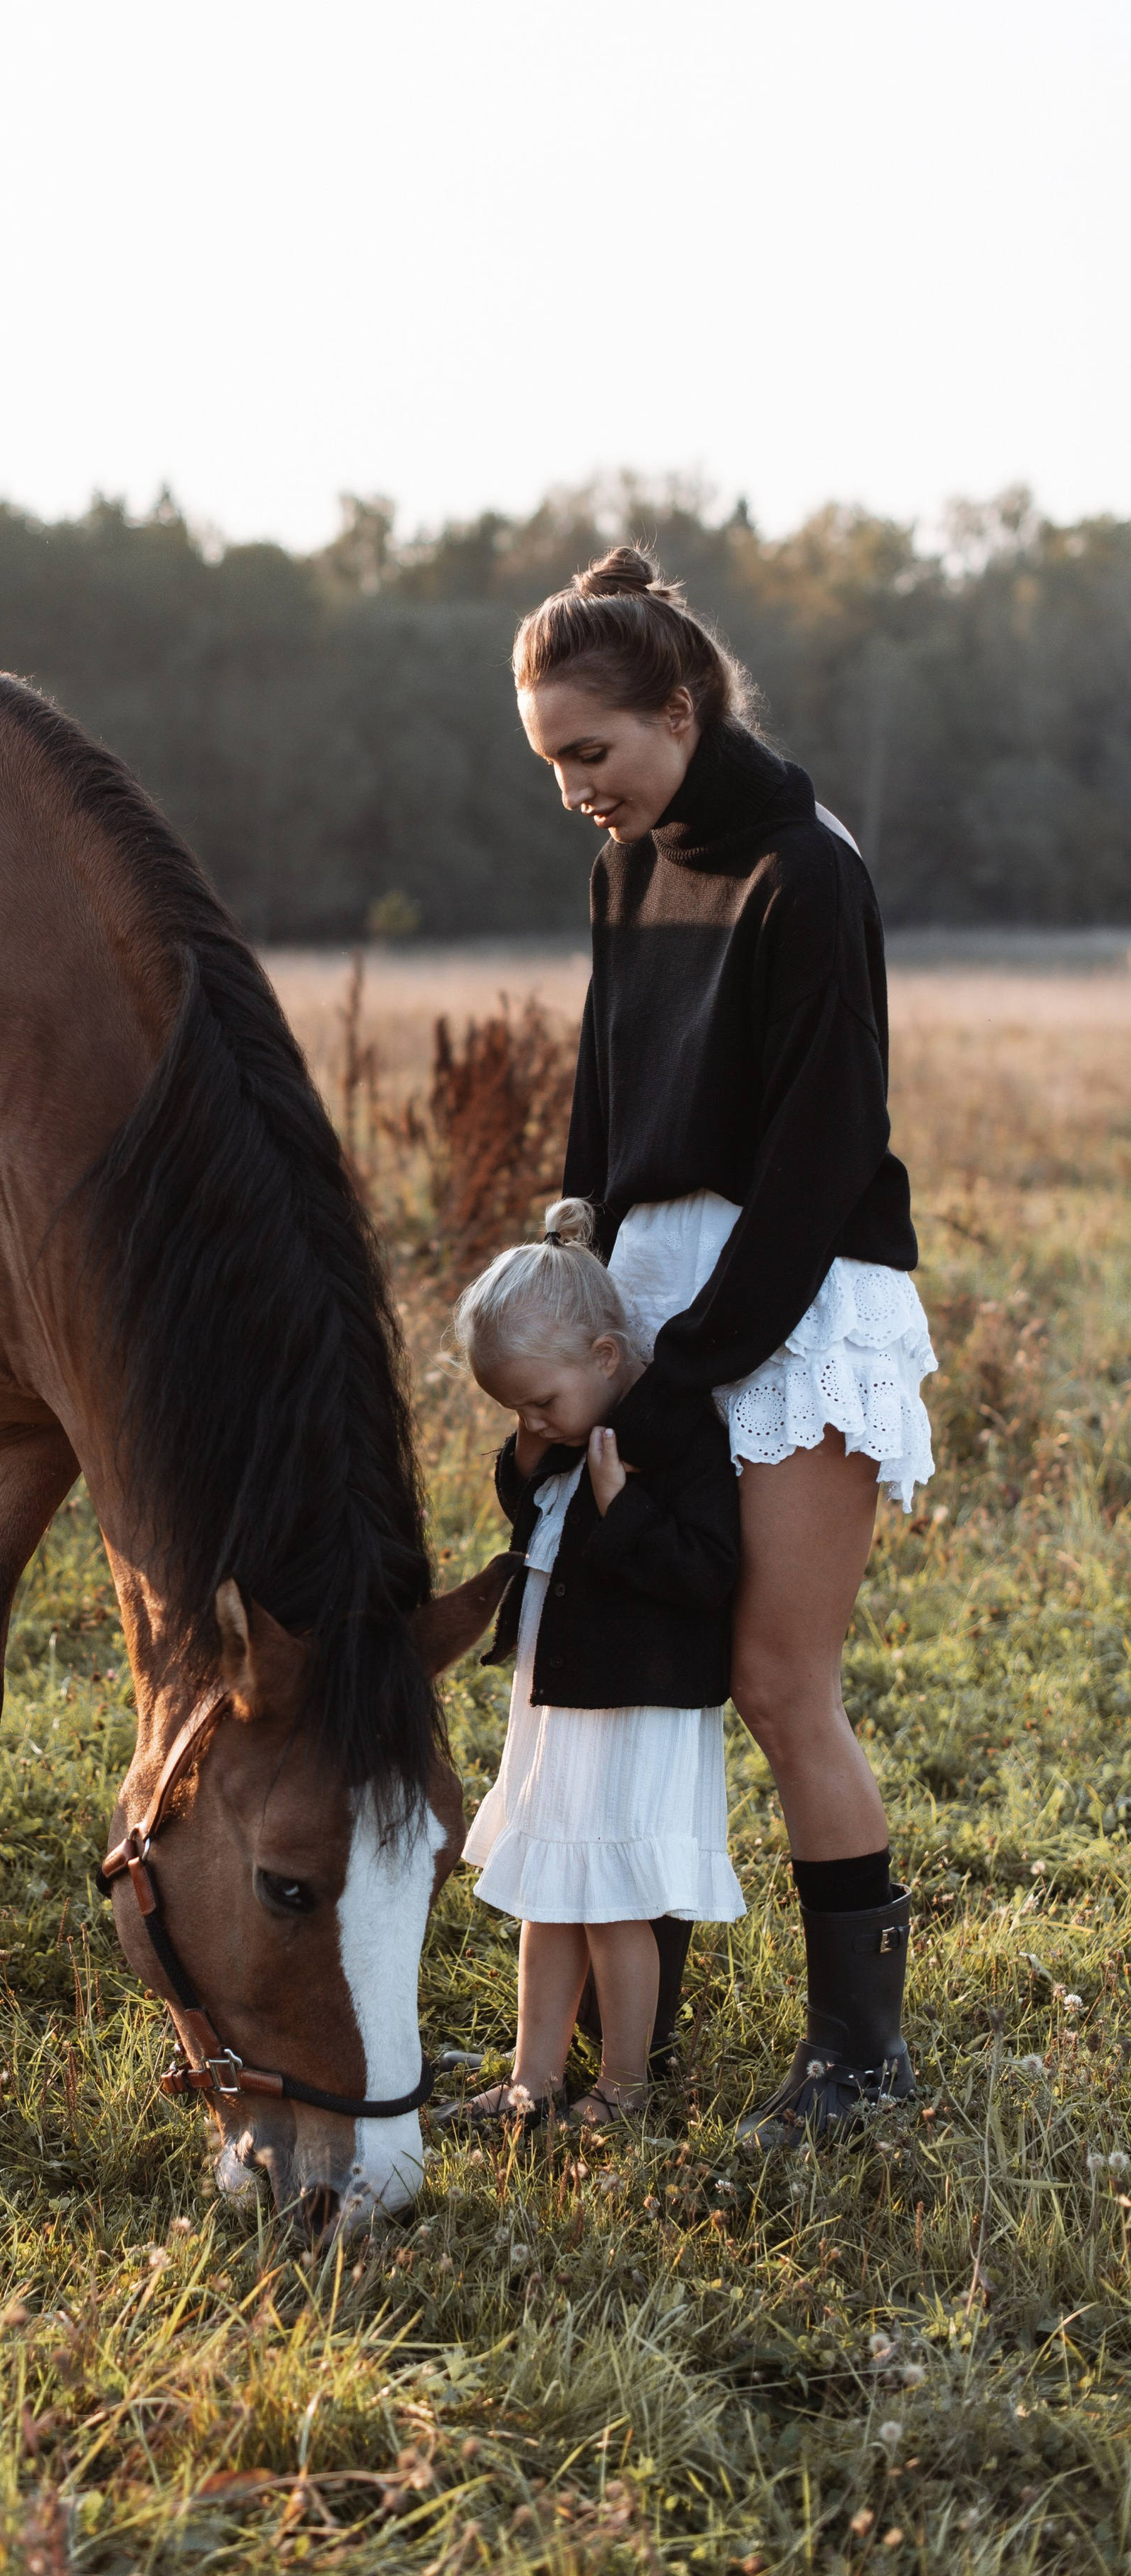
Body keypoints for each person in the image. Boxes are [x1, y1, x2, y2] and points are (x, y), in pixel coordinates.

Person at [512, 546, 935, 2145]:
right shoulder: (623, 862)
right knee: (643, 1669)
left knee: (770, 1679)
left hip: (796, 1295)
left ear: (676, 710)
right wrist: (571, 1292)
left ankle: (859, 2065)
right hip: (653, 1302)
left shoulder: (807, 873)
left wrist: (689, 1371)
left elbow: (824, 1157)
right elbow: (601, 1094)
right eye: (550, 761)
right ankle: (635, 2048)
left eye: (589, 754)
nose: (572, 789)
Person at [441, 1202, 744, 2131]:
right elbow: (534, 1519)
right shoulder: (570, 1438)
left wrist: (625, 1511)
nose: (533, 1420)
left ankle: (624, 2087)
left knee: (614, 1904)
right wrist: (525, 1461)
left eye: (541, 1402)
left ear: (606, 1358)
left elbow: (710, 1574)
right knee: (547, 1895)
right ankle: (534, 2083)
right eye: (514, 1410)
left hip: (634, 1709)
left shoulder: (676, 1442)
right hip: (560, 1706)